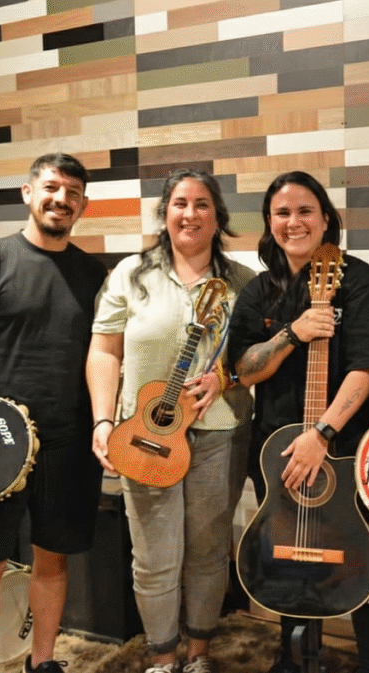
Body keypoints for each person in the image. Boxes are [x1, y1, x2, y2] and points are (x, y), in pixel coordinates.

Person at [0, 153, 107, 673]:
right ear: (28, 193)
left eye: (73, 192)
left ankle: (43, 662)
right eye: (51, 187)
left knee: (53, 561)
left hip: (68, 442)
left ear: (83, 205)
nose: (62, 199)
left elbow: (104, 356)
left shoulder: (92, 274)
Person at [86, 168, 255, 673]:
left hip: (219, 434)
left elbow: (258, 359)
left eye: (203, 204)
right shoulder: (129, 274)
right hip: (145, 436)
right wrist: (102, 421)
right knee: (154, 557)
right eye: (180, 203)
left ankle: (199, 653)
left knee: (208, 552)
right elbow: (104, 352)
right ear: (165, 213)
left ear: (218, 217)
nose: (190, 214)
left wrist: (227, 378)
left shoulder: (243, 283)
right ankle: (162, 657)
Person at [227, 171, 369, 673]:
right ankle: (291, 657)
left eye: (305, 211)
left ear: (326, 219)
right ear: (269, 222)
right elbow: (243, 370)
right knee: (287, 554)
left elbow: (368, 367)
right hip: (277, 450)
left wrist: (321, 434)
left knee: (363, 563)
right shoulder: (258, 292)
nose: (294, 222)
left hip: (349, 449)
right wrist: (292, 333)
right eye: (282, 213)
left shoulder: (360, 281)